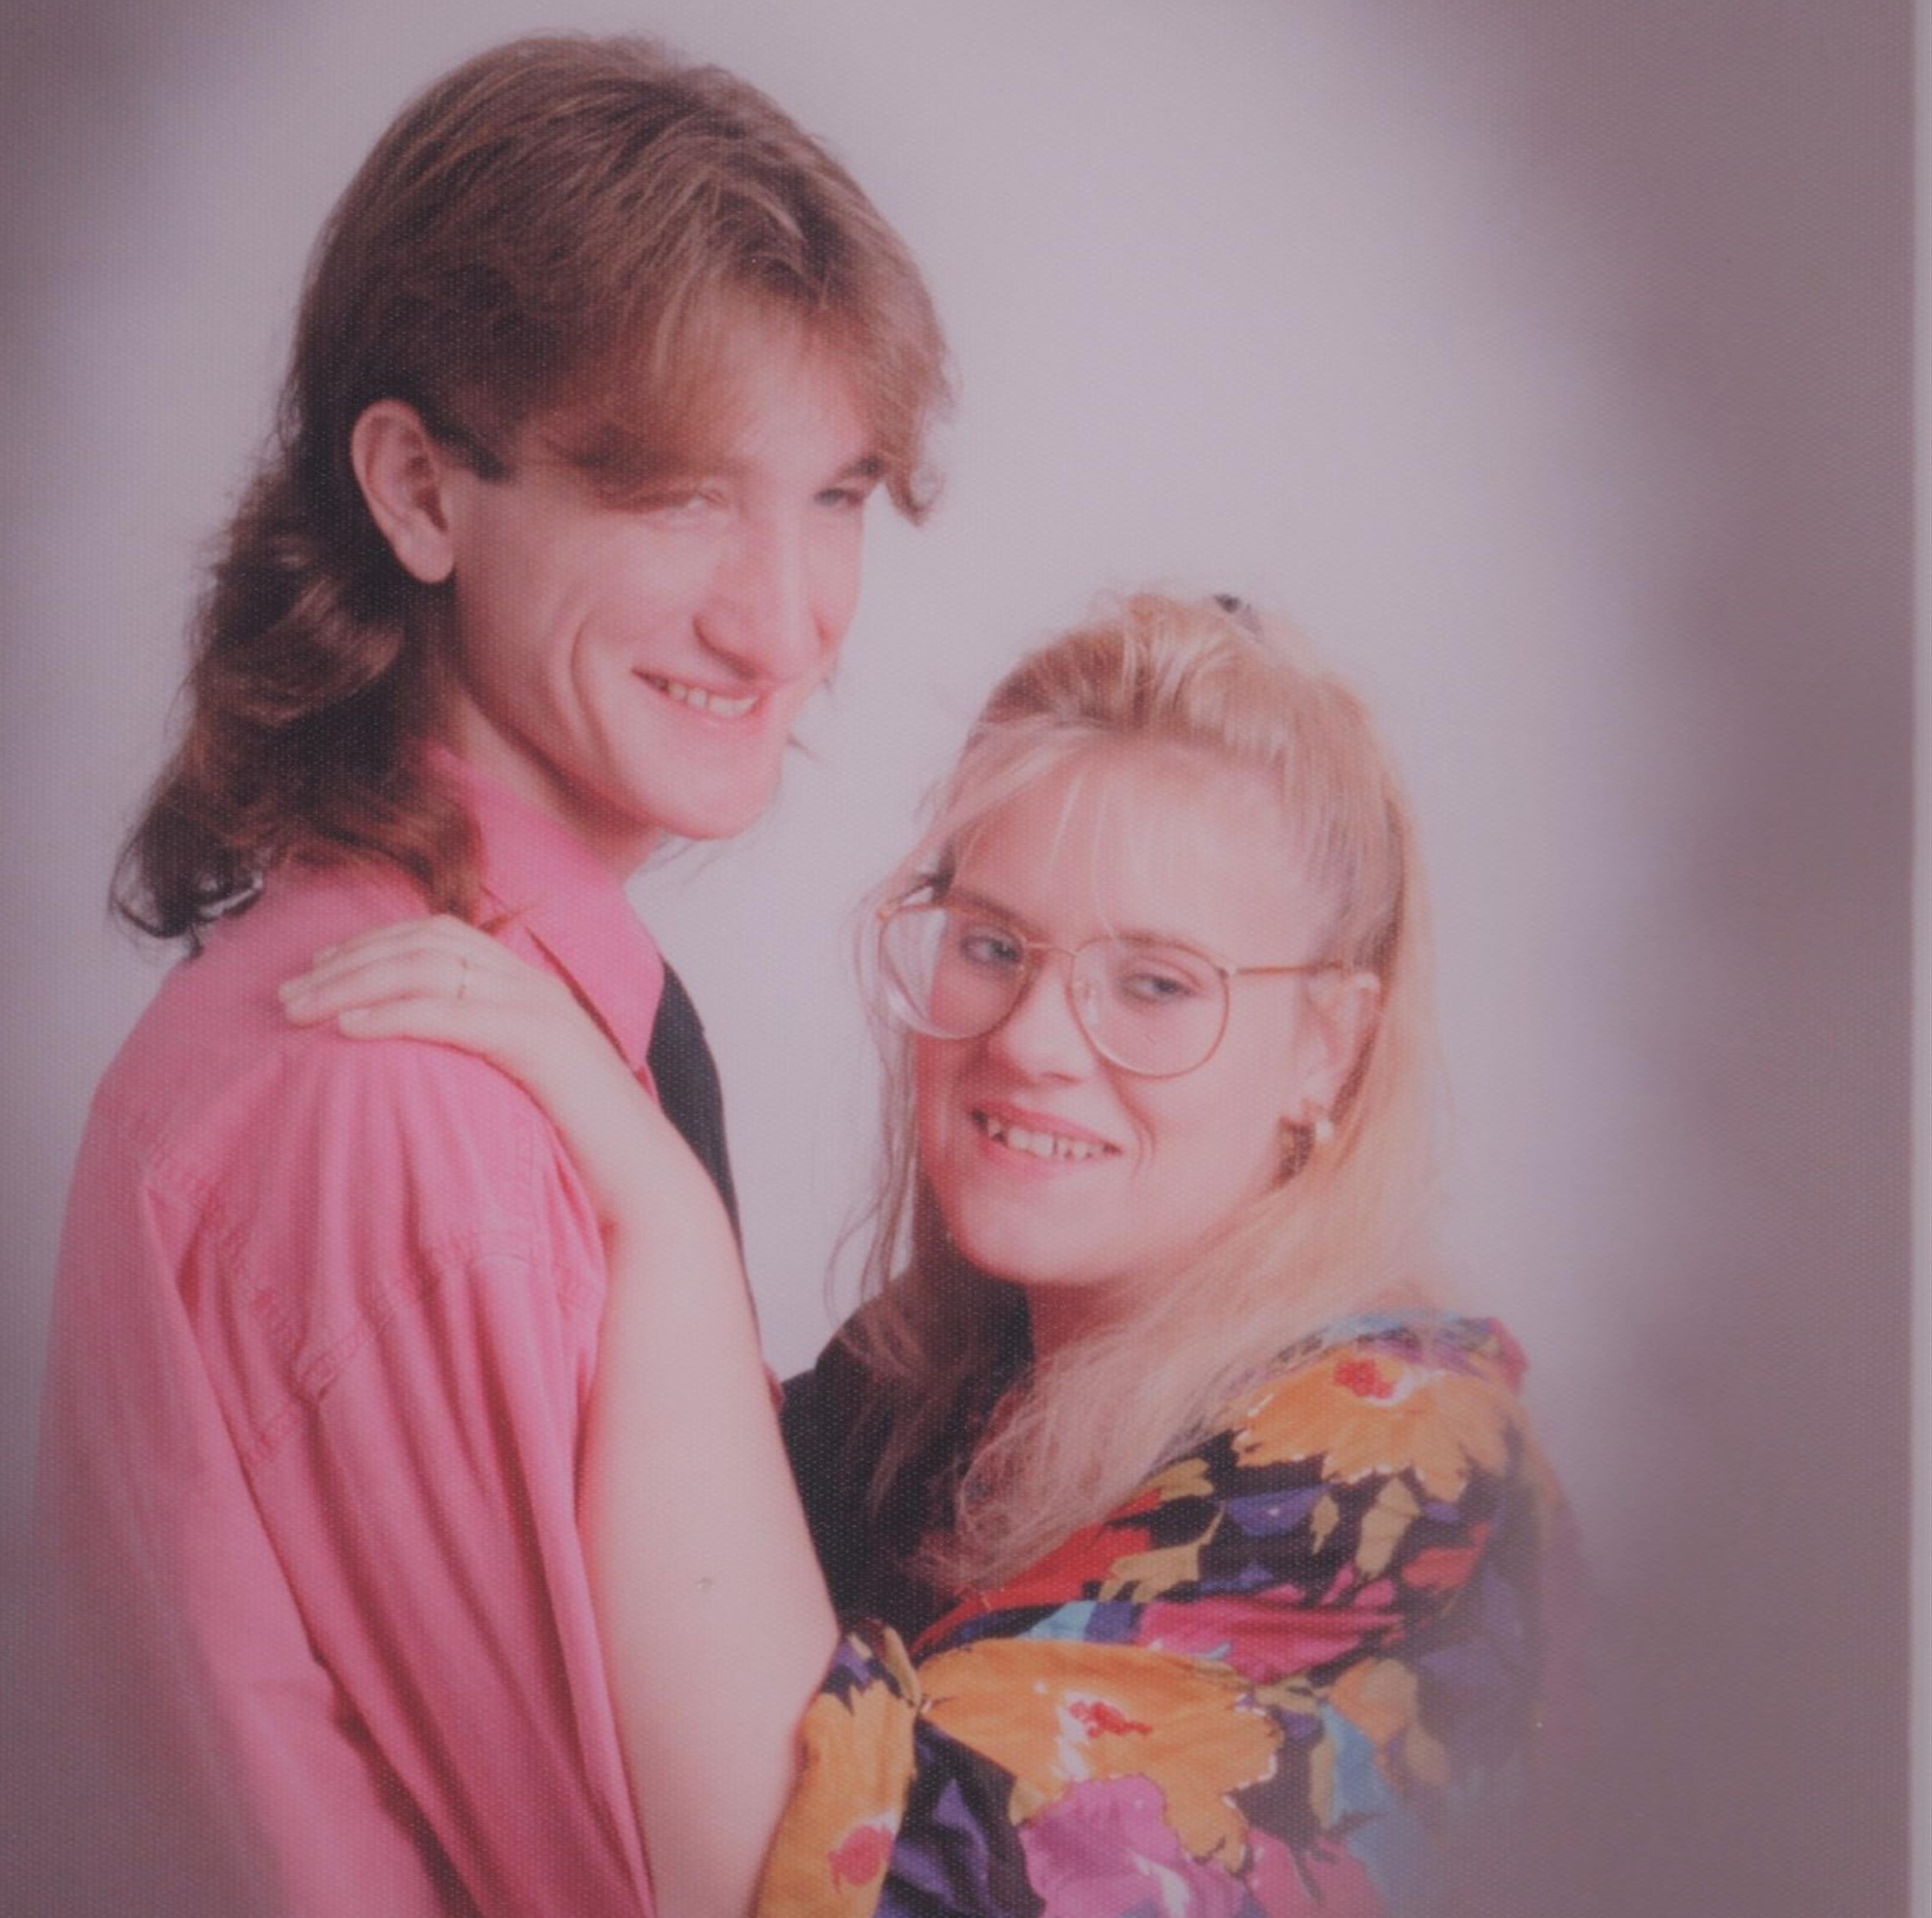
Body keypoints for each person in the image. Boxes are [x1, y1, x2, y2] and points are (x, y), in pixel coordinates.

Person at [37, 32, 950, 1916]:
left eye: (838, 496)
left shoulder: (495, 1026)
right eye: (679, 495)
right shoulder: (418, 1107)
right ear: (420, 491)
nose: (784, 623)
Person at [284, 588, 1571, 1918]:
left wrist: (664, 1216)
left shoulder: (1413, 1483)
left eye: (1157, 983)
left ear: (1331, 1049)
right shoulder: (947, 1383)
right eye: (993, 946)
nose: (1031, 1041)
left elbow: (832, 1888)